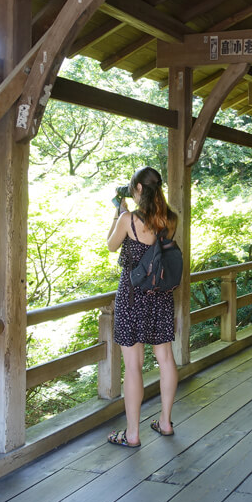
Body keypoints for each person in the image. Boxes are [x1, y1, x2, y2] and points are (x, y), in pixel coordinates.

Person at [106, 167, 179, 448]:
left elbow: (111, 246)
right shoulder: (170, 219)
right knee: (166, 360)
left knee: (133, 366)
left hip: (133, 295)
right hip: (160, 294)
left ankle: (132, 434)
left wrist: (118, 212)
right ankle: (165, 422)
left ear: (137, 189)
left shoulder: (128, 219)